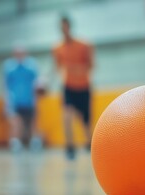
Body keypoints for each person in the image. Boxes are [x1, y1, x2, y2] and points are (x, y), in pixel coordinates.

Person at [53, 15, 94, 160]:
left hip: (83, 86)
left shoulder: (84, 45)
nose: (64, 30)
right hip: (68, 86)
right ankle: (70, 146)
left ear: (69, 27)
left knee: (86, 120)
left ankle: (90, 143)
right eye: (61, 27)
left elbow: (91, 66)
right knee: (67, 115)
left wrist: (75, 69)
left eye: (65, 26)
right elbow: (57, 68)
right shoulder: (57, 48)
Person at [4, 45, 42, 152]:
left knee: (33, 123)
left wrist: (37, 100)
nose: (19, 55)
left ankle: (34, 142)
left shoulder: (32, 67)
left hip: (30, 100)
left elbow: (36, 83)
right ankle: (16, 143)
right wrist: (6, 101)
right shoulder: (9, 68)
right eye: (17, 53)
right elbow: (6, 85)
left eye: (21, 53)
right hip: (15, 101)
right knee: (16, 122)